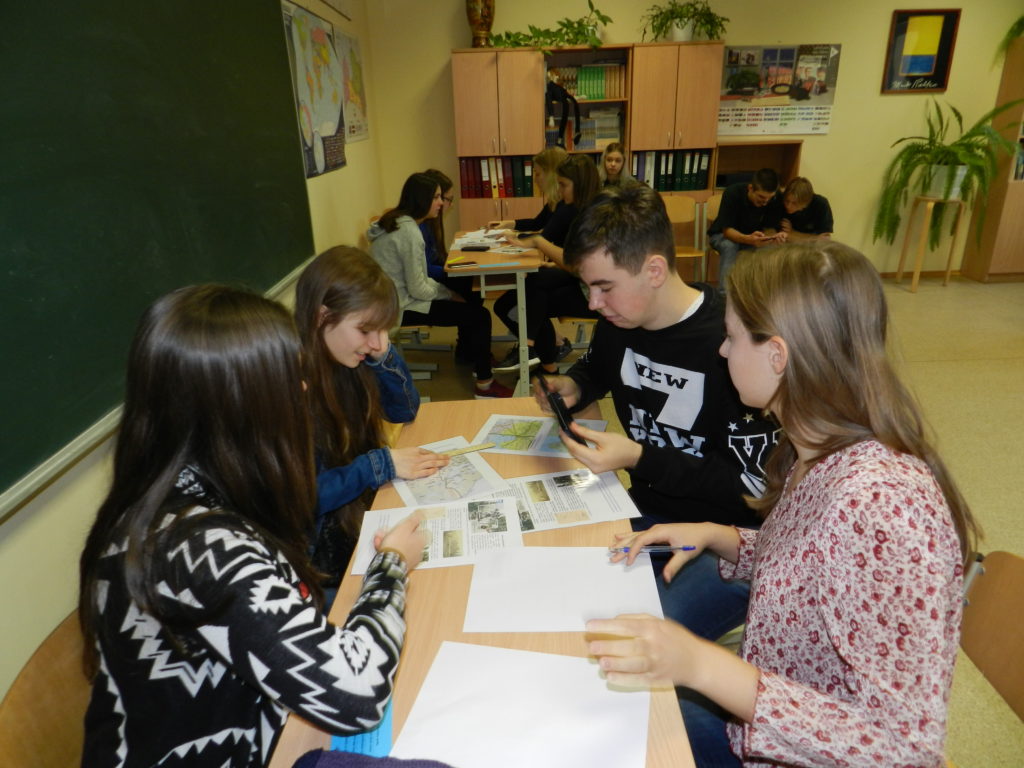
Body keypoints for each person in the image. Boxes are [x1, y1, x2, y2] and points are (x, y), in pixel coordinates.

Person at [587, 241, 977, 768]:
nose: (722, 352)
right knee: (611, 705)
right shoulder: (814, 445)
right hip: (766, 724)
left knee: (612, 728)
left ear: (777, 355)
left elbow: (905, 751)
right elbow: (809, 562)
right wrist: (718, 535)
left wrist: (700, 664)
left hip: (789, 749)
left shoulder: (882, 506)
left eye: (731, 337)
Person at [78, 285, 429, 768]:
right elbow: (357, 694)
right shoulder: (198, 547)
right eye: (288, 379)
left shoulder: (178, 492)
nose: (303, 390)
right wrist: (391, 566)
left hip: (263, 727)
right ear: (240, 403)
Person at [538, 184, 776, 650]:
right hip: (647, 512)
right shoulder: (620, 321)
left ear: (654, 270)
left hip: (725, 539)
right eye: (588, 287)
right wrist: (576, 385)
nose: (593, 303)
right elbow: (600, 367)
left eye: (604, 287)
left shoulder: (734, 345)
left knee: (632, 640)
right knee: (559, 587)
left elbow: (752, 489)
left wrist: (639, 458)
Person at [295, 246, 448, 587]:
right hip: (321, 558)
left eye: (384, 331)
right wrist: (379, 465)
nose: (377, 343)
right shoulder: (292, 385)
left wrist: (383, 358)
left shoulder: (349, 357)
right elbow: (304, 499)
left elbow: (404, 410)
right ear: (321, 317)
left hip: (359, 512)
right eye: (366, 330)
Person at [368, 172, 511, 398]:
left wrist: (447, 293)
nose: (441, 203)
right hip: (398, 308)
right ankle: (485, 384)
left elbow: (419, 280)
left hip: (392, 300)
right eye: (436, 197)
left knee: (469, 303)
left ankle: (470, 354)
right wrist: (449, 295)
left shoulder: (399, 222)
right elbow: (418, 288)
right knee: (480, 316)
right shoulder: (409, 232)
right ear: (422, 199)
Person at [491, 154, 603, 374]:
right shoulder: (578, 208)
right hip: (581, 279)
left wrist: (538, 242)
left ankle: (533, 350)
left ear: (580, 185)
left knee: (530, 298)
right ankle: (540, 358)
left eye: (564, 185)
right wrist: (554, 263)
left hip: (594, 292)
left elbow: (579, 263)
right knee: (532, 290)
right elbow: (575, 259)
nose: (559, 190)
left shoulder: (590, 215)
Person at [707, 168, 785, 287]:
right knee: (730, 246)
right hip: (723, 235)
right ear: (750, 188)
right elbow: (727, 231)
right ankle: (724, 294)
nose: (765, 202)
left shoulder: (776, 197)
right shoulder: (732, 192)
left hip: (754, 237)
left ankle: (759, 292)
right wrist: (748, 239)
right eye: (761, 197)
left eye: (769, 198)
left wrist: (773, 237)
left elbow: (770, 228)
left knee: (771, 249)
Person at [420, 168, 481, 312]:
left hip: (434, 275)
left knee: (473, 281)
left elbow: (436, 257)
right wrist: (450, 271)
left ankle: (471, 315)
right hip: (428, 282)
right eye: (449, 199)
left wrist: (455, 266)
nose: (449, 204)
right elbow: (426, 269)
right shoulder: (420, 227)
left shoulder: (432, 222)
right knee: (471, 285)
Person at [772, 176, 834, 241]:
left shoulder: (820, 204)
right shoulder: (779, 199)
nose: (788, 206)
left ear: (806, 203)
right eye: (787, 201)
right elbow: (770, 230)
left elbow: (825, 239)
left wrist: (793, 233)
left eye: (795, 203)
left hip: (810, 246)